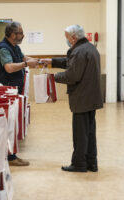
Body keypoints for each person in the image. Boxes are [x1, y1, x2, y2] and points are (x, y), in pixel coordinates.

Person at [40, 25, 103, 172]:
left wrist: (52, 78)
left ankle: (79, 164)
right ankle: (91, 163)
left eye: (67, 38)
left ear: (73, 38)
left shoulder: (79, 52)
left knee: (80, 133)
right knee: (89, 132)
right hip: (91, 97)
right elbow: (72, 63)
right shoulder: (89, 48)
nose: (66, 40)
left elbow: (73, 75)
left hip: (82, 98)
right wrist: (52, 61)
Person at [0, 21, 38, 166]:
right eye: (21, 33)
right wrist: (26, 65)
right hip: (4, 93)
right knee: (6, 124)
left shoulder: (14, 47)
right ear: (13, 35)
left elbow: (24, 58)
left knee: (11, 124)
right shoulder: (3, 48)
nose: (23, 35)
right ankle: (9, 157)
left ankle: (11, 154)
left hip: (12, 91)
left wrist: (36, 61)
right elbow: (9, 68)